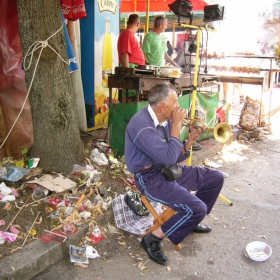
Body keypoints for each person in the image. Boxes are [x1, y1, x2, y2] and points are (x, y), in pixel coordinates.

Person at [125, 83, 224, 265]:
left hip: (167, 170)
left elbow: (174, 156)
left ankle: (191, 221)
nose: (179, 107)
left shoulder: (164, 120)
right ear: (163, 106)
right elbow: (169, 157)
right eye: (175, 101)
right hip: (149, 178)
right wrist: (177, 124)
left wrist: (190, 140)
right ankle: (152, 239)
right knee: (197, 208)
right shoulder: (141, 124)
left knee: (215, 177)